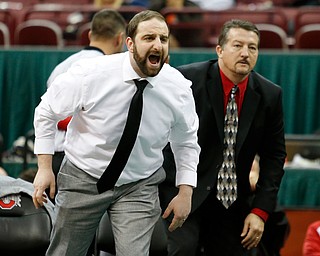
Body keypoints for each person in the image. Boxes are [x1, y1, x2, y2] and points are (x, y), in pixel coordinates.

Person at [32, 10, 200, 256]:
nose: (158, 45)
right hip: (83, 175)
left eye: (163, 39)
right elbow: (46, 111)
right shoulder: (92, 74)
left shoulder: (178, 88)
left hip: (139, 184)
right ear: (129, 43)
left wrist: (185, 192)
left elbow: (186, 142)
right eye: (149, 38)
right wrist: (45, 167)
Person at [160, 19, 286, 256]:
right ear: (219, 50)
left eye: (252, 47)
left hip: (232, 202)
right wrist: (171, 191)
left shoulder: (270, 95)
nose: (245, 53)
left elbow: (274, 156)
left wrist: (260, 211)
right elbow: (161, 139)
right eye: (237, 45)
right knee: (180, 250)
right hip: (183, 194)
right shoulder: (186, 81)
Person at [47, 8, 126, 178]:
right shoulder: (114, 72)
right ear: (120, 39)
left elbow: (47, 115)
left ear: (90, 35)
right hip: (88, 161)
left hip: (54, 156)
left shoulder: (60, 68)